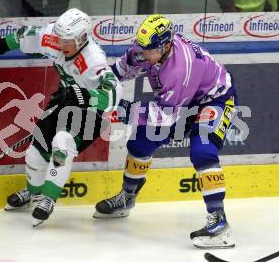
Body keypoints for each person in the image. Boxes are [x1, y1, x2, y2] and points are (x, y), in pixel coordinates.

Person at [93, 14, 238, 249]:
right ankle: (127, 198)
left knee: (203, 150)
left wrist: (122, 109)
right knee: (140, 143)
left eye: (148, 50)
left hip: (215, 99)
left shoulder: (180, 69)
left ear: (166, 45)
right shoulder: (148, 46)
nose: (143, 54)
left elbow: (166, 115)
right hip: (183, 100)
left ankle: (219, 222)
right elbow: (120, 69)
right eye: (141, 48)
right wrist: (98, 89)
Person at [0, 8, 122, 227]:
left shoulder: (93, 59)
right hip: (64, 101)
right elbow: (26, 35)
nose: (61, 44)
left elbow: (114, 93)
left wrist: (81, 95)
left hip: (93, 112)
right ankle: (33, 193)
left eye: (67, 41)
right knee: (36, 153)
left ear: (81, 39)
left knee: (62, 144)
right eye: (59, 38)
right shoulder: (55, 37)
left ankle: (48, 199)